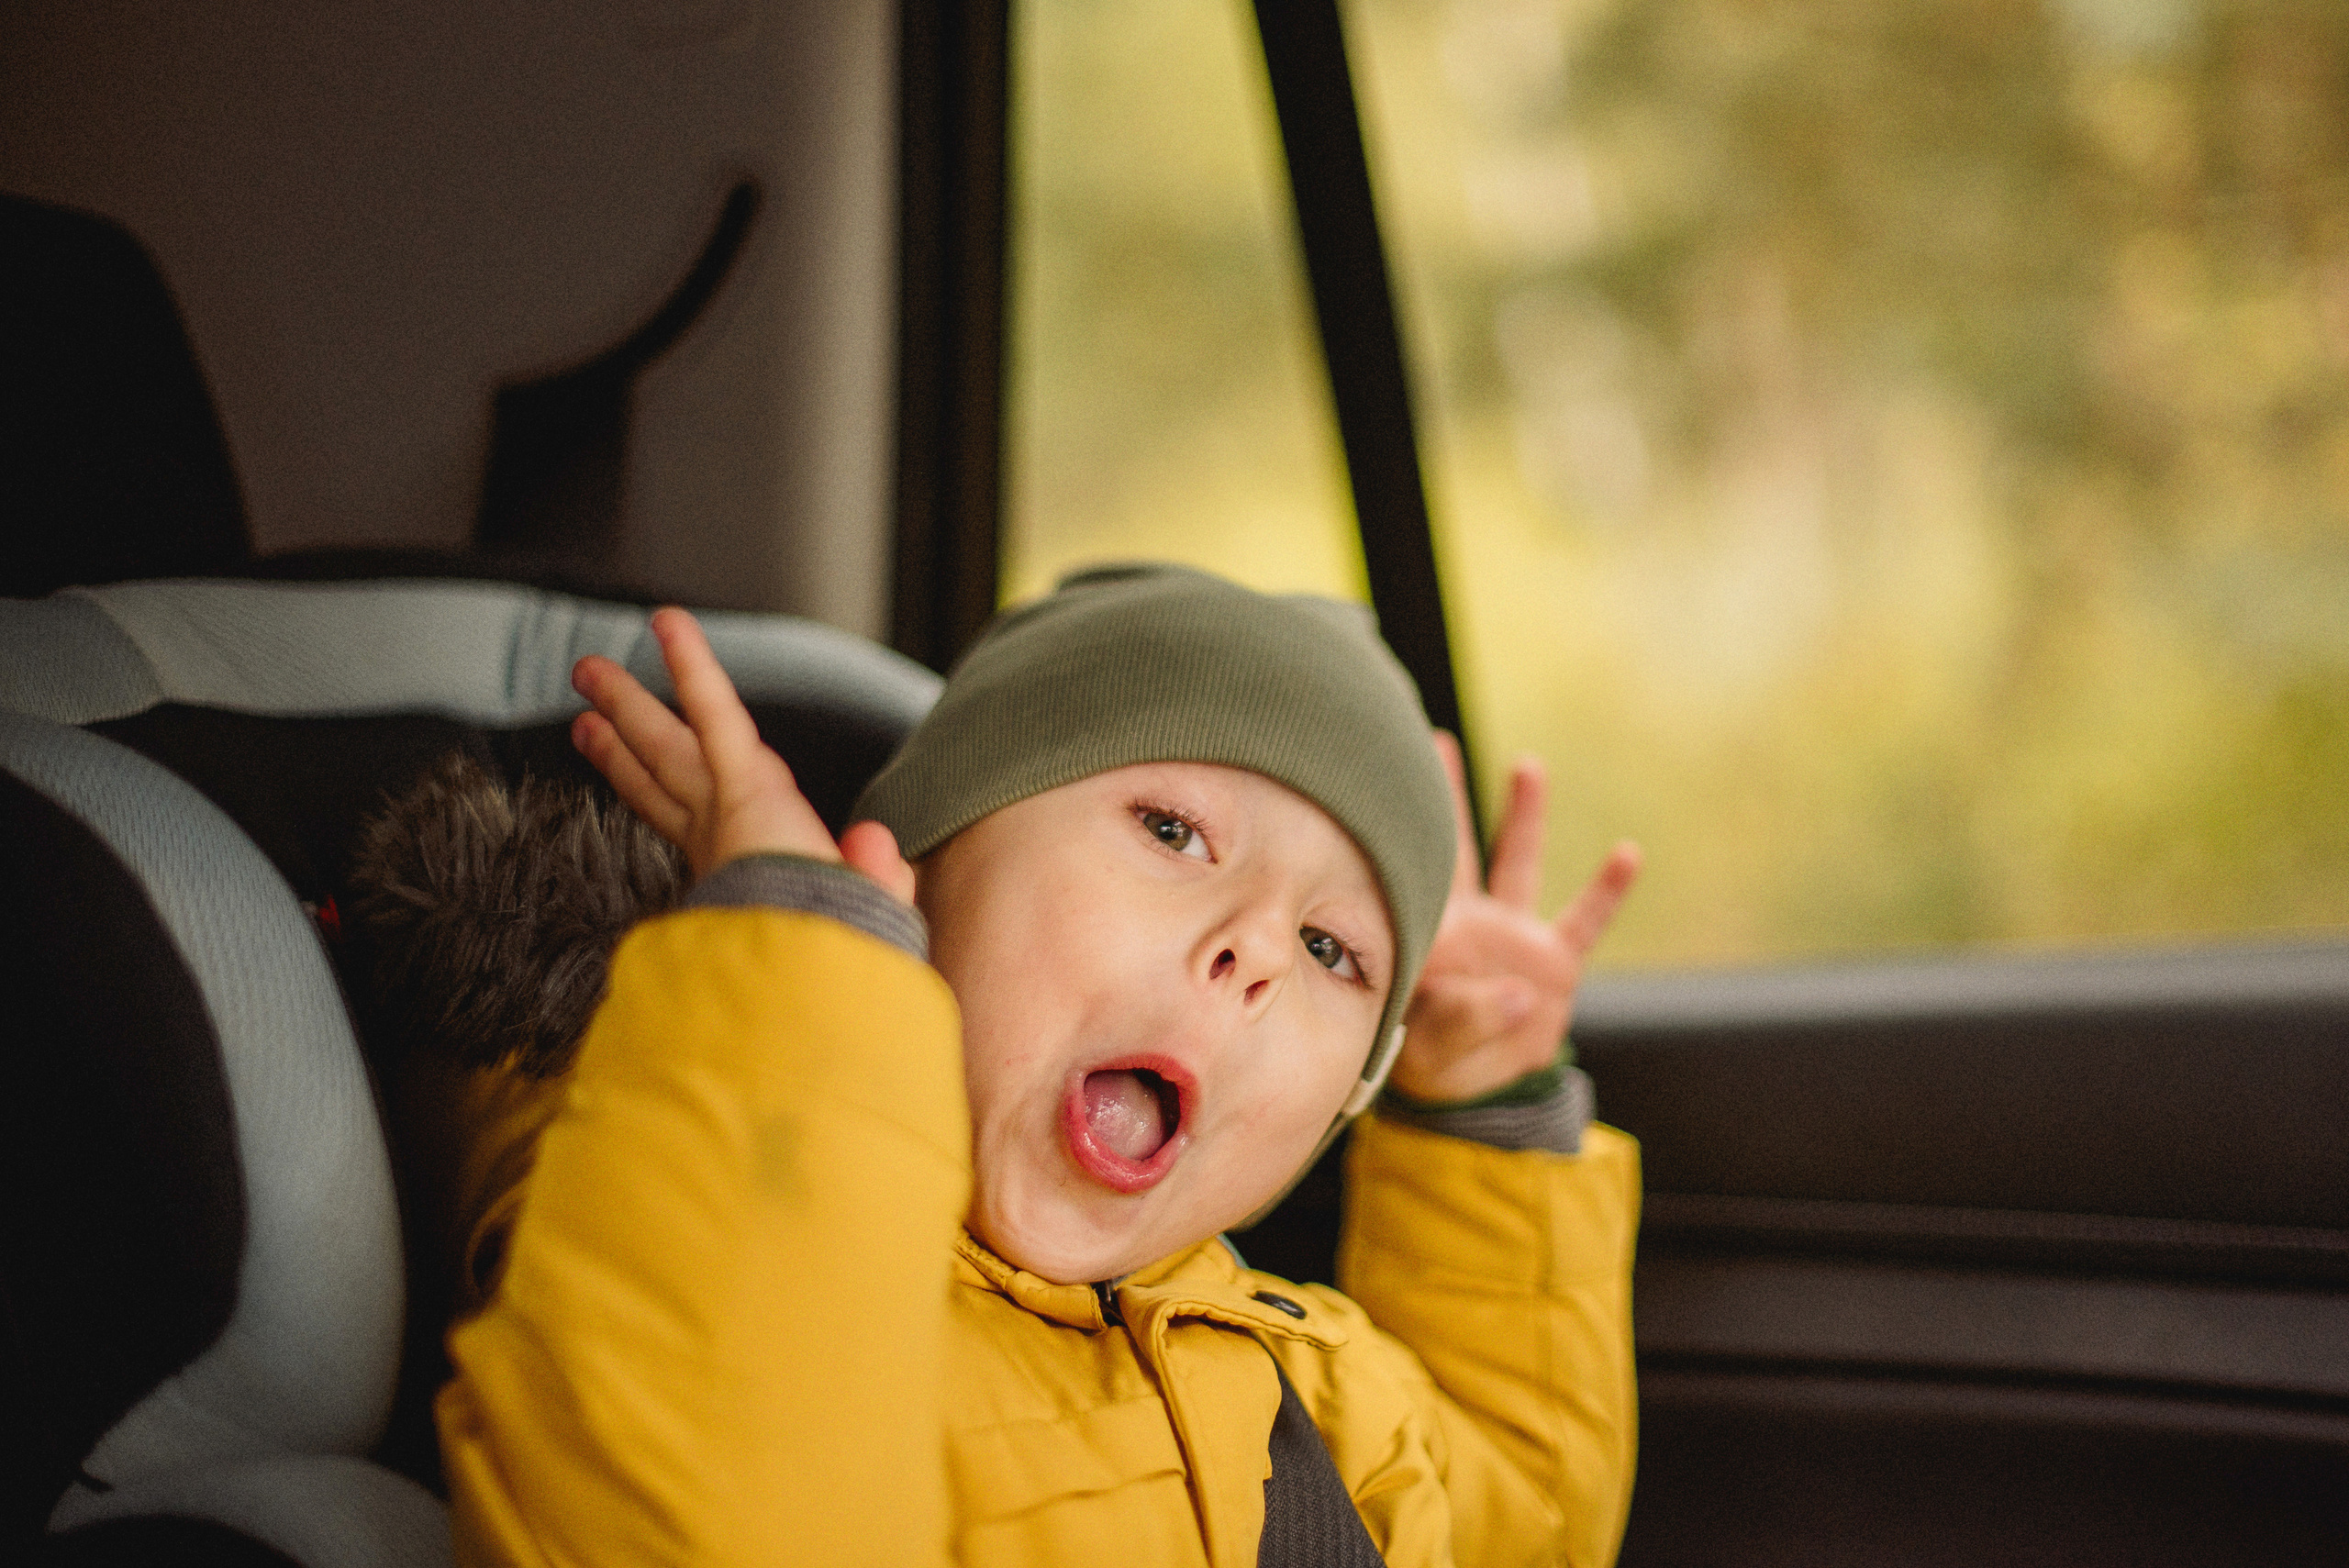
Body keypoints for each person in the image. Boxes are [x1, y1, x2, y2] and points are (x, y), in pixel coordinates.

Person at [424, 564, 1642, 1567]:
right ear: (921, 862)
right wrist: (801, 966)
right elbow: (691, 1513)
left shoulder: (1310, 1380)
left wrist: (1481, 1113)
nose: (1255, 950)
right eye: (1173, 830)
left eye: (1335, 949)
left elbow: (1528, 1520)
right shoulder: (686, 1195)